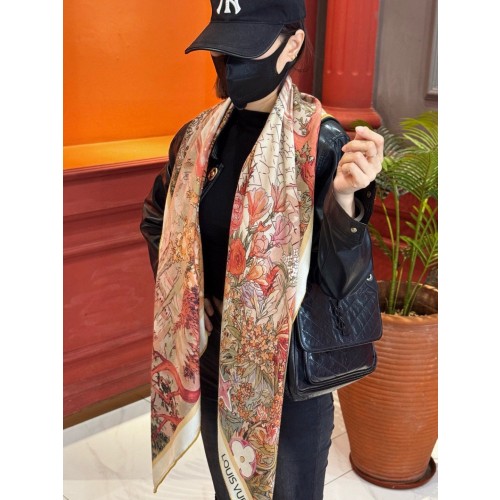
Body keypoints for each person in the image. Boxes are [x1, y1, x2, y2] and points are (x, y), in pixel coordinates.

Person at [140, 0, 384, 498]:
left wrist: (343, 199)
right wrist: (190, 298)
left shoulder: (322, 143)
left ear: (292, 45)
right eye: (223, 49)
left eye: (246, 49)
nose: (231, 64)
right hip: (213, 360)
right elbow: (156, 221)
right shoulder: (197, 140)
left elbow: (341, 282)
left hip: (289, 376)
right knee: (228, 489)